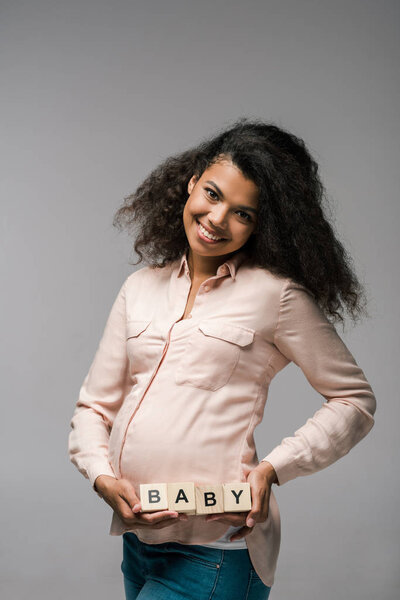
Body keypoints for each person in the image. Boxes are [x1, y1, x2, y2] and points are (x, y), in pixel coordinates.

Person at [68, 118, 377, 599]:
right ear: (192, 184)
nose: (217, 219)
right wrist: (102, 477)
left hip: (216, 550)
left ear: (261, 225)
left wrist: (272, 469)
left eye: (243, 213)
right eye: (212, 194)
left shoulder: (276, 296)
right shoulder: (139, 288)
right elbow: (94, 407)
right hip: (138, 541)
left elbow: (354, 400)